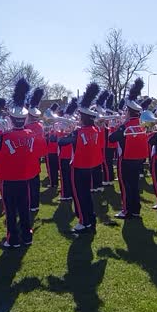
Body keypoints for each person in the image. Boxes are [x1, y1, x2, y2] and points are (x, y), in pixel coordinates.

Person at [0, 78, 46, 247]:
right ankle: (27, 236)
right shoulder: (31, 133)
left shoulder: (3, 136)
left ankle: (13, 239)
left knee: (10, 211)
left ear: (12, 118)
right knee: (24, 209)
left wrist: (1, 131)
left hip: (8, 179)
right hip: (25, 178)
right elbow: (40, 151)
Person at [58, 83, 104, 234]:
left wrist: (68, 131)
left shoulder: (78, 132)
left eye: (79, 116)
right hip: (90, 166)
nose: (77, 118)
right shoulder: (95, 129)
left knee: (79, 195)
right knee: (86, 194)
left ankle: (83, 221)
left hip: (78, 167)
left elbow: (61, 142)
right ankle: (90, 218)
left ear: (83, 118)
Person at [109, 78, 148, 219]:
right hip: (138, 158)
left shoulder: (126, 126)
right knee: (135, 184)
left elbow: (111, 138)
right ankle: (136, 210)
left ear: (129, 112)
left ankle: (126, 210)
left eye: (125, 110)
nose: (124, 112)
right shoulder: (142, 124)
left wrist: (120, 125)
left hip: (126, 158)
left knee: (126, 186)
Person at [24, 87, 46, 212]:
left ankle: (31, 204)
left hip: (29, 156)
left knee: (29, 181)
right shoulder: (39, 125)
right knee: (35, 180)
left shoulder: (29, 127)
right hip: (37, 156)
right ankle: (35, 204)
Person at [55, 99, 78, 201]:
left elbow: (59, 134)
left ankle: (65, 194)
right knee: (71, 174)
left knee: (64, 175)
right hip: (72, 151)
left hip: (64, 151)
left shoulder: (64, 120)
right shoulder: (74, 118)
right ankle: (72, 192)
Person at [45, 103, 61, 189]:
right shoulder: (55, 124)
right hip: (55, 149)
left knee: (52, 168)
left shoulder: (56, 124)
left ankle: (53, 183)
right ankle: (54, 183)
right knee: (54, 168)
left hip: (52, 149)